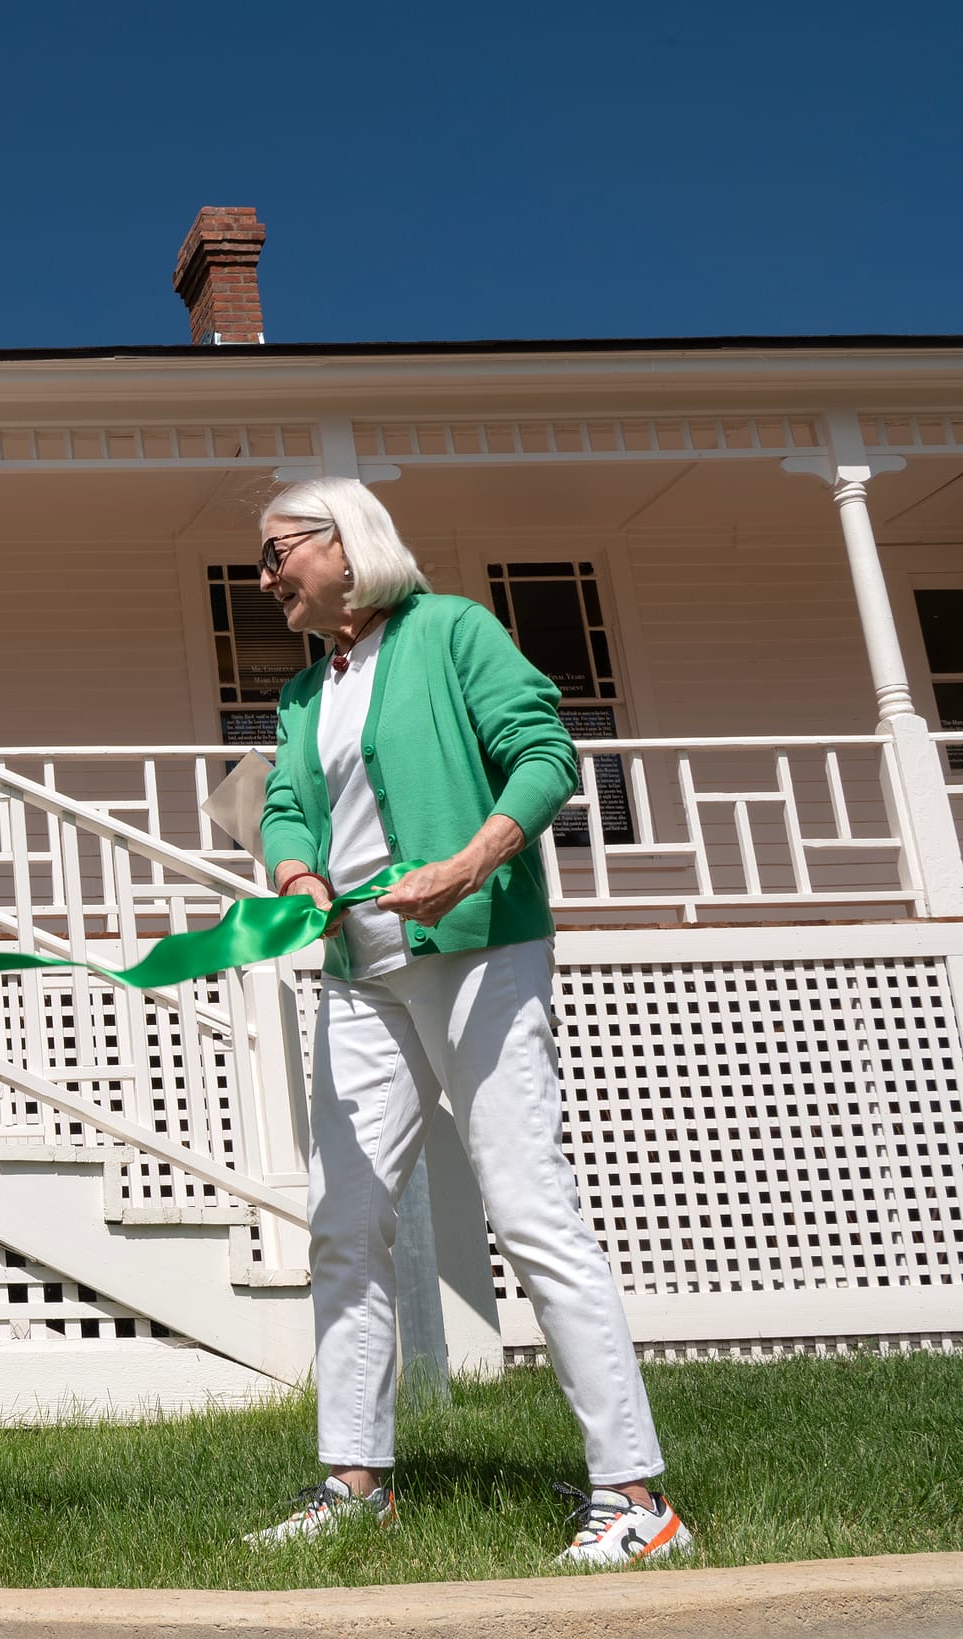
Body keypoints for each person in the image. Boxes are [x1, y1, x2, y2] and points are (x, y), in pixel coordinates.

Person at [241, 478, 690, 1568]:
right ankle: (354, 1479)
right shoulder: (307, 694)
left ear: (345, 547)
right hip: (360, 970)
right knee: (344, 1221)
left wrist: (465, 865)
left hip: (478, 947)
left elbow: (544, 756)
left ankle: (636, 1499)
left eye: (274, 554)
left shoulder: (451, 631)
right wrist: (296, 870)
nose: (263, 579)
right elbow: (285, 804)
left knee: (531, 1209)